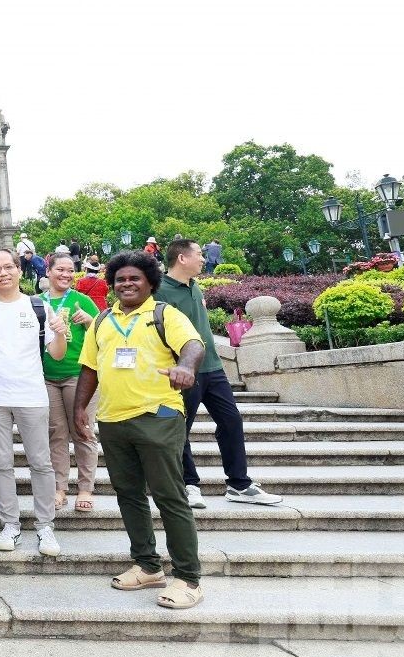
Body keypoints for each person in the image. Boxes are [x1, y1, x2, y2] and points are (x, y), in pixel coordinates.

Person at [74, 250, 206, 610]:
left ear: (150, 282)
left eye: (135, 278)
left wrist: (186, 367)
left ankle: (188, 578)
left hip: (157, 415)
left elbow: (193, 344)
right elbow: (89, 368)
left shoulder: (164, 314)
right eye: (120, 279)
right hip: (113, 419)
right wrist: (79, 409)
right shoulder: (102, 320)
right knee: (128, 494)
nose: (127, 284)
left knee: (169, 495)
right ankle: (148, 565)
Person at [156, 240, 282, 508]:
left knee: (231, 421)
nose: (204, 259)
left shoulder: (194, 285)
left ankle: (239, 484)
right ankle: (188, 484)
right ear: (182, 258)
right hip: (183, 371)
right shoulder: (160, 291)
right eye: (198, 254)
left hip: (213, 368)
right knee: (179, 428)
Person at [0, 249, 68, 557]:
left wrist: (60, 334)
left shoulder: (38, 306)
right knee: (1, 464)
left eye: (8, 267)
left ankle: (45, 525)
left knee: (41, 463)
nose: (3, 273)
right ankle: (10, 524)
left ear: (19, 270)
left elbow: (57, 354)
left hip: (32, 396)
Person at [42, 254, 101, 512]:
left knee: (82, 430)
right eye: (60, 269)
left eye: (70, 270)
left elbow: (104, 333)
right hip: (46, 377)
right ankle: (59, 488)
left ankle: (85, 488)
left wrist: (89, 321)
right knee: (56, 433)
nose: (66, 274)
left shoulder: (82, 300)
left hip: (79, 375)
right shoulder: (37, 302)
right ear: (48, 271)